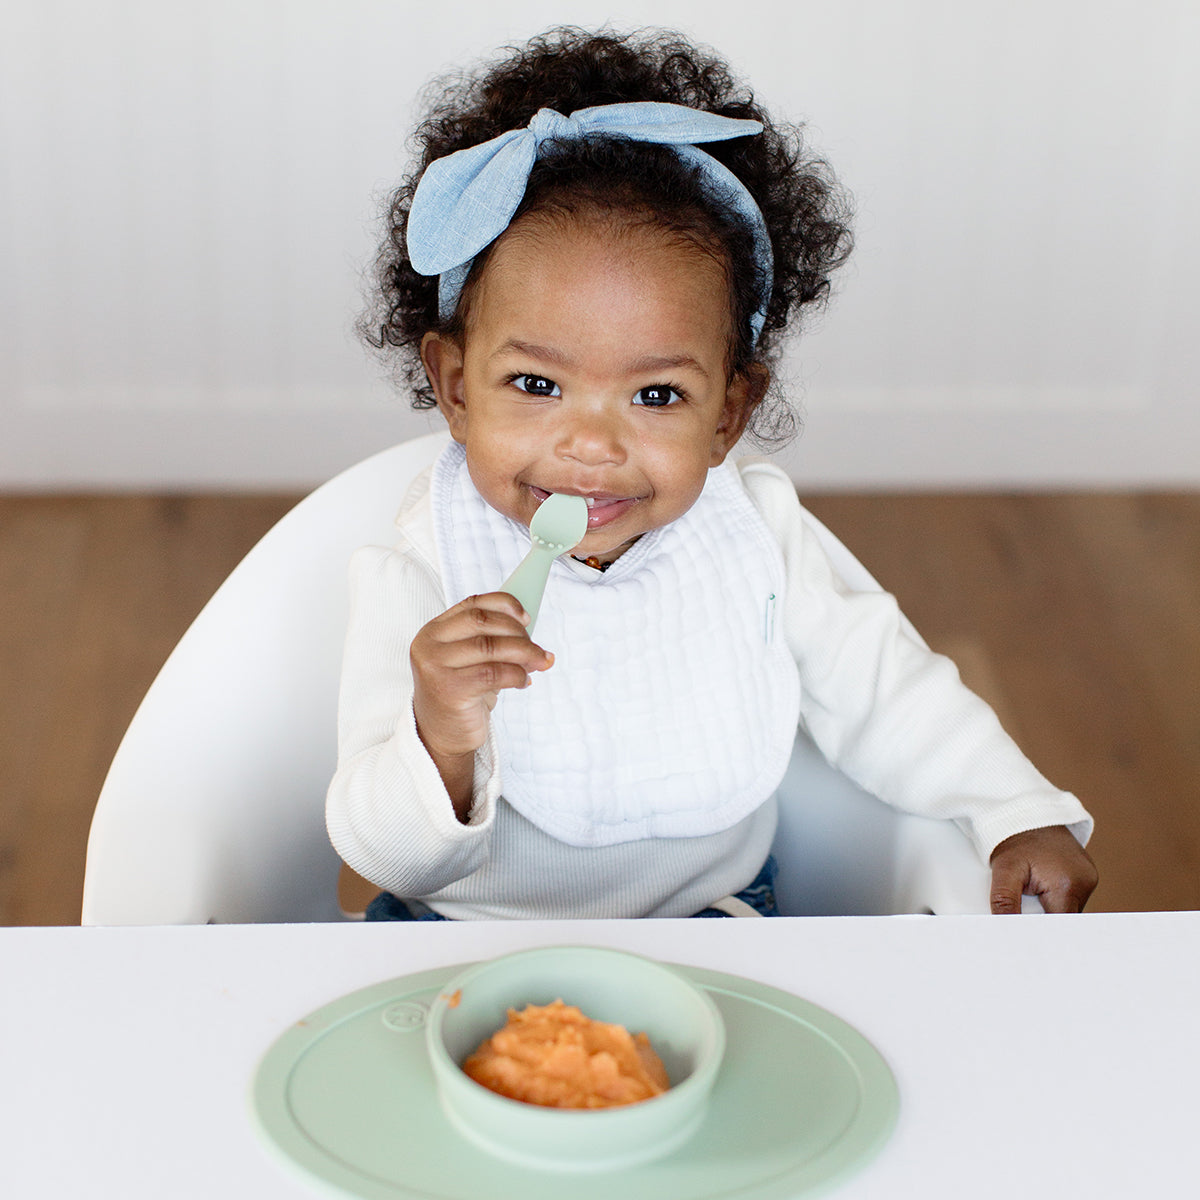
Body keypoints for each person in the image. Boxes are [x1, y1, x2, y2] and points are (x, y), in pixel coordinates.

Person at [326, 27, 1097, 921]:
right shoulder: (420, 565)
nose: (590, 445)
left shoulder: (753, 532)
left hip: (718, 928)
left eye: (655, 395)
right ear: (455, 388)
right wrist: (440, 732)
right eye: (536, 384)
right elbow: (385, 858)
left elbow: (887, 688)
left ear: (728, 415)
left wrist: (1013, 812)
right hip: (456, 936)